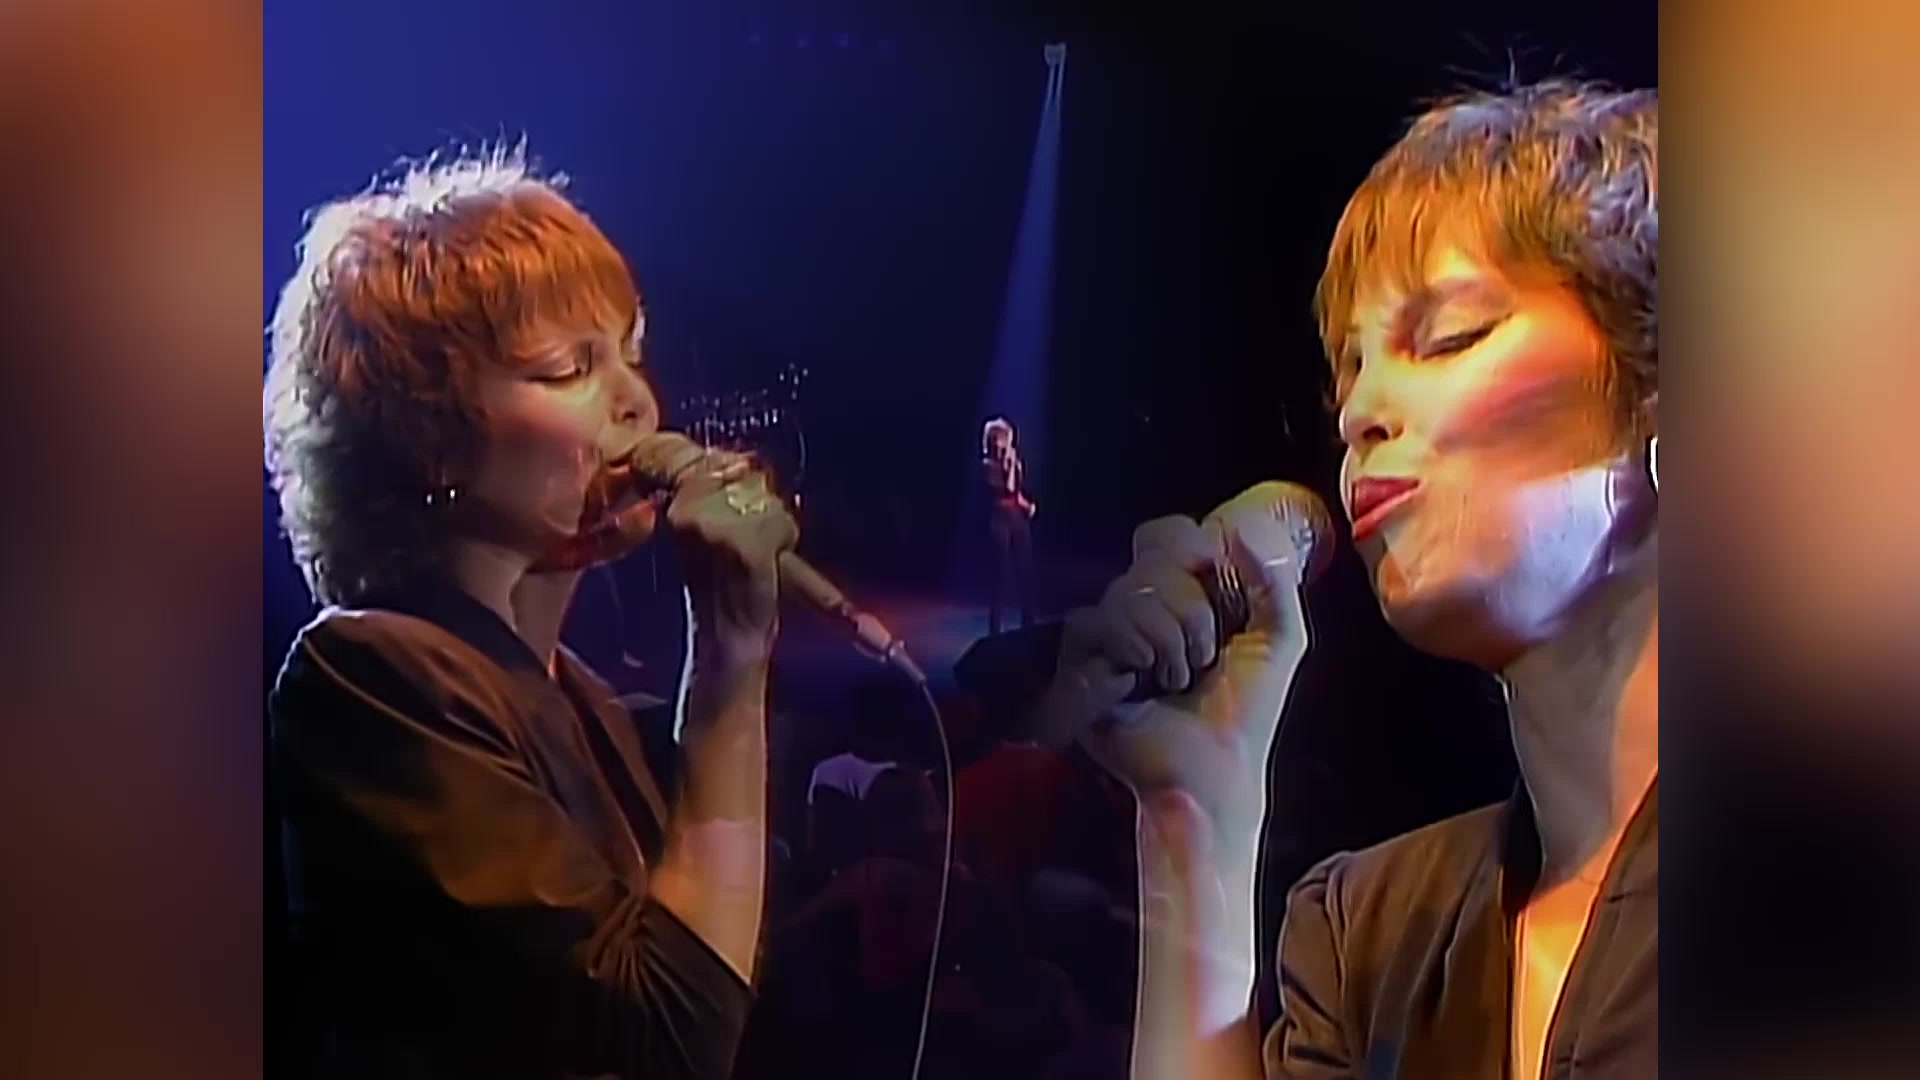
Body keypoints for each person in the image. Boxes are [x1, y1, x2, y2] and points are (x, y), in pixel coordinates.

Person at [1042, 80, 1657, 1078]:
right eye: (1350, 370)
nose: (1360, 410)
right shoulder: (1368, 932)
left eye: (1451, 336)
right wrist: (1195, 823)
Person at [264, 146, 798, 1079]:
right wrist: (730, 657)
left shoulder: (587, 703)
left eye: (629, 354)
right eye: (567, 369)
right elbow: (668, 1031)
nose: (638, 403)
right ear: (426, 437)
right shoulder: (371, 677)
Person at [981, 416, 1038, 633]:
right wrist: (1010, 465)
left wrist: (1027, 506)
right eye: (1002, 438)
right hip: (999, 520)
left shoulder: (1015, 463)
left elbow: (1017, 493)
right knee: (1000, 576)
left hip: (1017, 519)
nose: (1006, 443)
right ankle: (994, 629)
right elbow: (1008, 488)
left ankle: (1028, 624)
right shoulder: (988, 466)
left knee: (1026, 571)